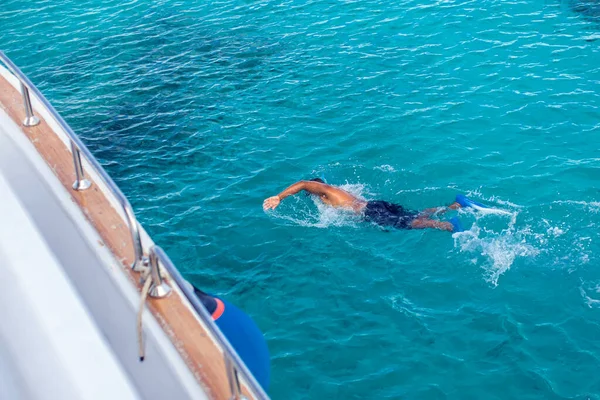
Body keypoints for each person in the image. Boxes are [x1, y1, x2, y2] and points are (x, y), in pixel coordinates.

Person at [263, 178, 465, 232]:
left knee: (409, 223)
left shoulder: (321, 189)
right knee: (416, 214)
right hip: (374, 204)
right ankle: (455, 206)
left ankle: (447, 226)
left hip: (370, 211)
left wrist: (279, 197)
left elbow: (304, 184)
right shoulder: (339, 190)